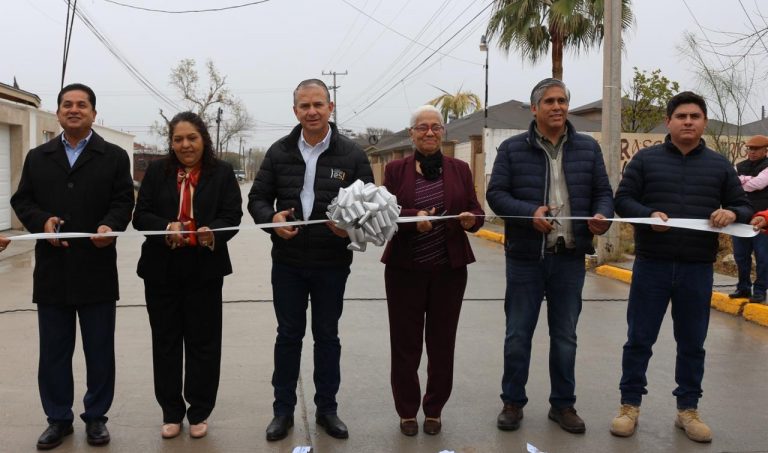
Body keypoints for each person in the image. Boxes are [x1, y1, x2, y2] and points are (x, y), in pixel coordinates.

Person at [610, 91, 752, 443]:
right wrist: (647, 215)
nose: (688, 121)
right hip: (652, 265)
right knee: (639, 339)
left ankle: (688, 410)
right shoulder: (645, 161)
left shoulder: (719, 165)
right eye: (681, 116)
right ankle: (629, 407)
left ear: (703, 122)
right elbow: (622, 199)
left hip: (697, 268)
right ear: (669, 122)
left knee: (692, 342)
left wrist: (732, 213)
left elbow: (743, 207)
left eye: (695, 116)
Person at [486, 78, 613, 434]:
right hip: (526, 258)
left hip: (569, 258)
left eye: (562, 101)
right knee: (517, 334)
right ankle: (512, 402)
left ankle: (563, 405)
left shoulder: (588, 148)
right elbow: (496, 195)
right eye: (550, 101)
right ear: (535, 108)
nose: (557, 107)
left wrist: (601, 217)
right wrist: (530, 213)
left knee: (565, 336)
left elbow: (604, 192)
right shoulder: (512, 149)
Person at [248, 79, 373, 442]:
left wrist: (348, 229)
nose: (312, 111)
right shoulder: (278, 152)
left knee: (327, 336)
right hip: (287, 262)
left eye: (318, 104)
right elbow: (256, 199)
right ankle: (282, 411)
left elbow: (369, 207)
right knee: (288, 335)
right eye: (305, 106)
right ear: (295, 111)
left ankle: (327, 410)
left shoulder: (352, 155)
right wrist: (271, 221)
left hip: (331, 263)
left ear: (330, 108)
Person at [10, 83, 134, 449]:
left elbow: (123, 201)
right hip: (52, 272)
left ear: (94, 113)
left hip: (96, 269)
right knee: (53, 352)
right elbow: (22, 200)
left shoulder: (112, 156)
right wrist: (41, 220)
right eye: (67, 104)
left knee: (99, 351)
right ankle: (58, 418)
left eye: (82, 104)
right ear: (58, 112)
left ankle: (96, 417)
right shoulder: (38, 157)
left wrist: (110, 225)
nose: (74, 109)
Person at [132, 111, 243, 439]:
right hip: (161, 270)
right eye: (178, 139)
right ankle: (170, 411)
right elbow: (141, 216)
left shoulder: (221, 173)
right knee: (165, 342)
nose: (185, 145)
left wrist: (214, 232)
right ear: (171, 142)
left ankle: (198, 411)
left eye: (192, 138)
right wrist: (166, 226)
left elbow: (232, 215)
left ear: (203, 139)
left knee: (203, 343)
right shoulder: (156, 171)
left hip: (205, 270)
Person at [381, 105, 484, 436]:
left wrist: (472, 220)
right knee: (405, 344)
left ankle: (435, 408)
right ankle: (407, 411)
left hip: (448, 272)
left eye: (436, 127)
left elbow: (475, 209)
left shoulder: (460, 169)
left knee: (442, 344)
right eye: (422, 127)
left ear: (443, 132)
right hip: (404, 271)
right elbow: (388, 213)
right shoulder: (395, 169)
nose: (429, 132)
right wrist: (415, 218)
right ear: (411, 134)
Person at [729, 135, 768, 303]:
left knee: (763, 257)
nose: (751, 152)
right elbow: (732, 184)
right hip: (740, 218)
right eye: (749, 149)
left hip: (762, 220)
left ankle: (760, 290)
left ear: (765, 150)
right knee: (740, 256)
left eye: (755, 149)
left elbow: (758, 184)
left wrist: (743, 180)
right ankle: (743, 287)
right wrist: (748, 181)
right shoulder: (740, 166)